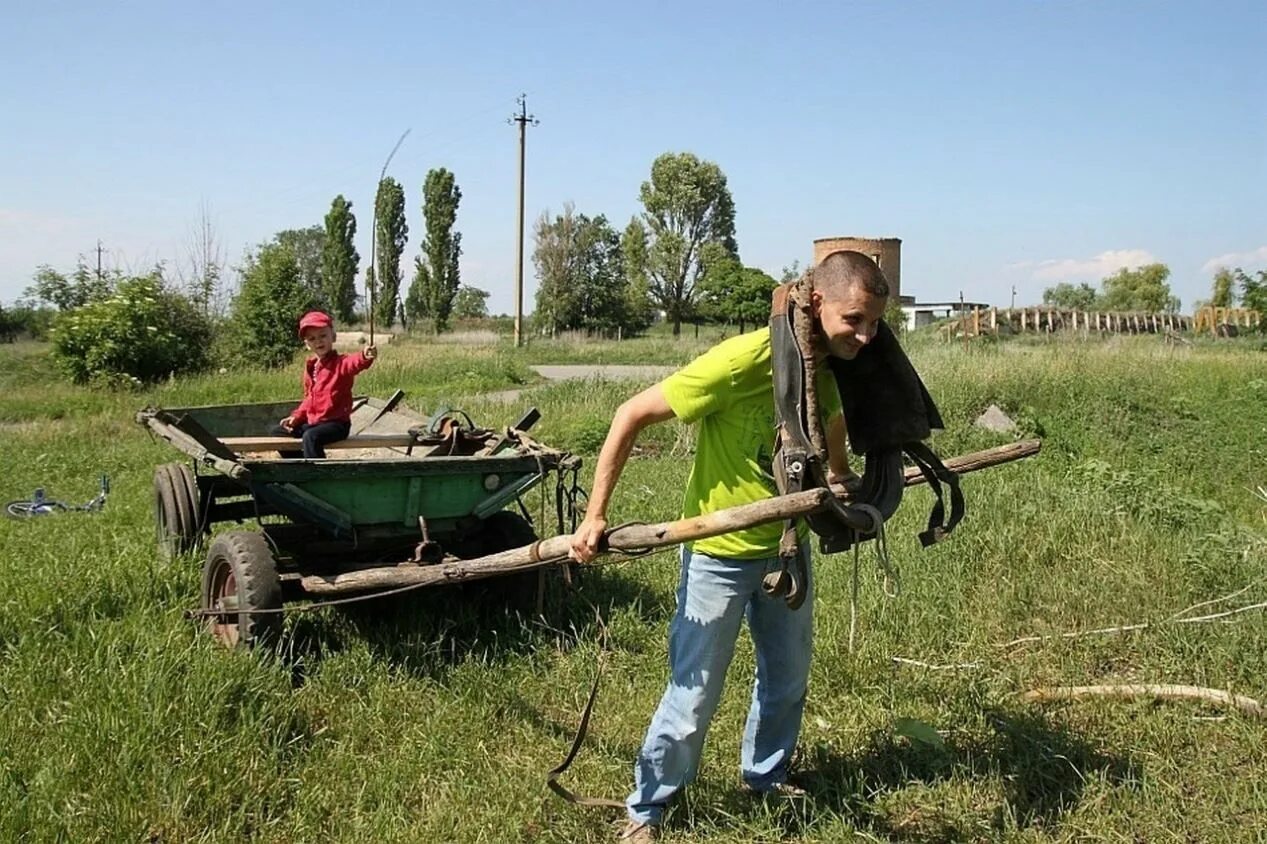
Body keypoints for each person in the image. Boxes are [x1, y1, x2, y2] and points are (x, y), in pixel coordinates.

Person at [568, 250, 890, 842]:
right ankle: (647, 807)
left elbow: (832, 428)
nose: (866, 335)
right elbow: (630, 412)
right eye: (855, 320)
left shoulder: (824, 366)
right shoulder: (746, 360)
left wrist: (843, 481)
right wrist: (595, 517)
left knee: (787, 679)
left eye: (874, 323)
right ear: (817, 304)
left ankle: (766, 777)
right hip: (718, 554)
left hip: (786, 551)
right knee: (693, 695)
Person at [273, 310, 377, 459]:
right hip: (314, 422)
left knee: (311, 437)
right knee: (277, 432)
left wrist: (364, 356)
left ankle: (319, 473)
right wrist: (296, 417)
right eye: (312, 338)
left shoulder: (341, 363)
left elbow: (354, 363)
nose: (318, 341)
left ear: (333, 337)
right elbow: (309, 398)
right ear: (307, 344)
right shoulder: (311, 367)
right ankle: (301, 463)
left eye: (323, 336)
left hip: (336, 425)